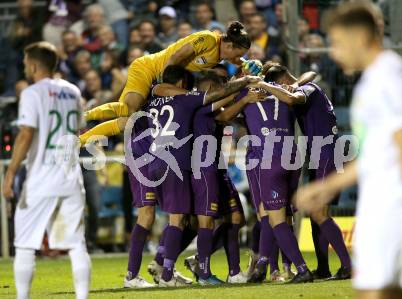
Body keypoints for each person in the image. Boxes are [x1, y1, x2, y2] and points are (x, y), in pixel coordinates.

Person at [295, 3, 402, 299]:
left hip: (393, 208)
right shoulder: (374, 78)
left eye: (338, 44)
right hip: (379, 206)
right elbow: (376, 154)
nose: (333, 53)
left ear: (359, 38)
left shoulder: (387, 76)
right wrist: (326, 186)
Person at [129, 65, 260, 287]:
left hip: (159, 162)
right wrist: (244, 90)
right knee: (186, 219)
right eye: (220, 82)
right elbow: (220, 108)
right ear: (182, 84)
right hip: (191, 165)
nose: (223, 85)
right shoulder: (190, 102)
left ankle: (167, 268)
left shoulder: (153, 101)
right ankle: (175, 271)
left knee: (188, 219)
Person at [2, 41, 90, 299]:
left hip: (41, 179)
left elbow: (26, 134)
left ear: (32, 65)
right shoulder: (73, 91)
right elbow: (77, 131)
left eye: (25, 64)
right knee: (76, 245)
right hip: (71, 178)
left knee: (25, 244)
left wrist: (9, 174)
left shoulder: (31, 93)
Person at [79, 21, 255, 145]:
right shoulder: (208, 39)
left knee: (129, 121)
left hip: (164, 78)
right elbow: (176, 56)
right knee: (130, 109)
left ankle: (79, 142)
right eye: (240, 54)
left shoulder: (222, 56)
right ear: (230, 46)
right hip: (148, 68)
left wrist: (250, 65)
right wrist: (164, 86)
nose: (239, 59)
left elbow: (242, 65)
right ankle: (84, 116)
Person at [216, 66, 314, 284]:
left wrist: (243, 99)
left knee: (273, 218)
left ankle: (300, 268)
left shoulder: (246, 94)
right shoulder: (285, 90)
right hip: (292, 158)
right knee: (280, 215)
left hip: (269, 161)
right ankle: (271, 266)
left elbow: (222, 116)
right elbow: (308, 77)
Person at [262, 62, 352, 280]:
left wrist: (267, 86)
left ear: (283, 80)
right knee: (315, 212)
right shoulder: (304, 85)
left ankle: (349, 266)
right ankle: (323, 268)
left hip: (327, 153)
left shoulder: (307, 89)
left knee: (319, 212)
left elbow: (298, 91)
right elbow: (309, 74)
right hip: (321, 154)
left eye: (277, 86)